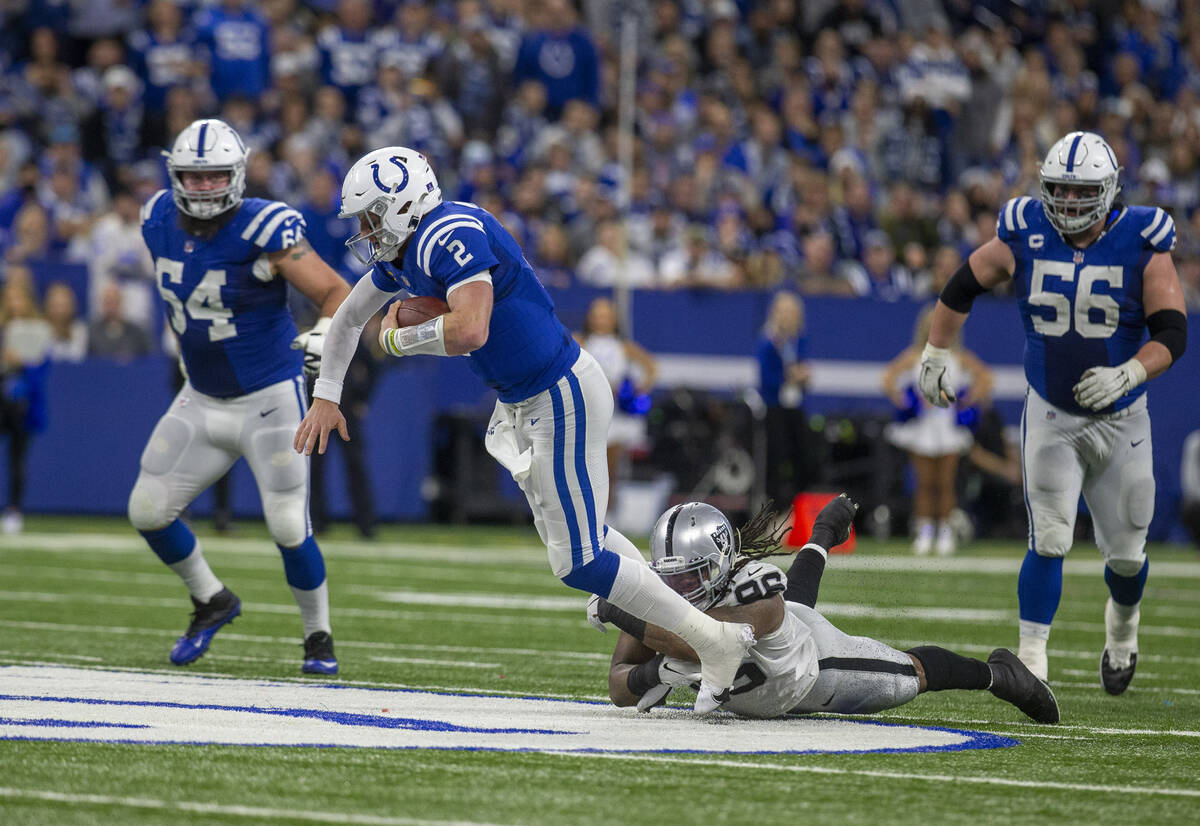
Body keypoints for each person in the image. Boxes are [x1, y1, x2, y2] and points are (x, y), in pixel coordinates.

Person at [295, 145, 755, 713]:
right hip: (527, 400)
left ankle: (718, 644)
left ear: (402, 206)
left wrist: (396, 338)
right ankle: (685, 633)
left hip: (558, 390)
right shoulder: (407, 250)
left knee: (579, 563)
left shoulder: (449, 234)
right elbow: (346, 319)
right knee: (585, 543)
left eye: (370, 217)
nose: (364, 232)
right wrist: (326, 395)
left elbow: (470, 330)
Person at [917, 131, 1187, 693]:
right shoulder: (1025, 229)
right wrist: (937, 347)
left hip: (1123, 417)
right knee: (1050, 535)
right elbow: (962, 284)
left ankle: (1123, 628)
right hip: (1051, 411)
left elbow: (1172, 331)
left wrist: (1131, 371)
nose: (1066, 202)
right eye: (1058, 189)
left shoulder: (1141, 237)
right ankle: (1031, 656)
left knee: (1129, 553)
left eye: (1078, 191)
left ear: (1108, 190)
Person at [131, 118, 350, 675]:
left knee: (285, 524)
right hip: (201, 398)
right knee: (148, 509)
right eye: (192, 177)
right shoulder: (155, 216)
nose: (203, 188)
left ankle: (318, 637)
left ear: (236, 174)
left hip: (267, 398)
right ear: (175, 176)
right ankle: (212, 600)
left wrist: (322, 336)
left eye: (213, 177)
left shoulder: (265, 228)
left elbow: (334, 292)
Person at [597, 494, 1059, 725]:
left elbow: (699, 638)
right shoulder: (659, 595)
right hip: (766, 684)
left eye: (689, 575)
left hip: (814, 670)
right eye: (667, 576)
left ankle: (999, 674)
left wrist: (619, 605)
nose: (676, 587)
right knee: (798, 604)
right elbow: (619, 683)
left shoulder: (752, 589)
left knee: (910, 674)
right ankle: (822, 535)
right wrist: (649, 676)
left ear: (719, 564)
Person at [881, 305, 993, 555]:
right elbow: (888, 378)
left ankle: (945, 532)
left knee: (946, 483)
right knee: (924, 483)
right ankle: (924, 532)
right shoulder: (914, 356)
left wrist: (968, 401)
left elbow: (986, 378)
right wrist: (906, 401)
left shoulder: (959, 357)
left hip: (948, 429)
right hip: (923, 428)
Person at [577, 296, 657, 514]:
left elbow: (651, 366)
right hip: (588, 411)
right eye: (597, 315)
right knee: (586, 466)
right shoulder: (579, 342)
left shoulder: (623, 346)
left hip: (614, 415)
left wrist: (637, 389)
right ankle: (585, 512)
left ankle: (608, 515)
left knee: (609, 468)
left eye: (606, 315)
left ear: (614, 319)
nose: (601, 319)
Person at [0, 281, 52, 535]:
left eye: (18, 298)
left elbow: (41, 371)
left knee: (17, 458)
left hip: (22, 403)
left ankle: (14, 510)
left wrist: (21, 362)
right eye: (10, 298)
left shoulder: (38, 330)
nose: (14, 304)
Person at [757, 292, 813, 506]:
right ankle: (774, 507)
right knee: (776, 459)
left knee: (802, 457)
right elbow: (766, 379)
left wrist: (803, 377)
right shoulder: (768, 342)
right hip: (774, 408)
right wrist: (789, 376)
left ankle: (799, 506)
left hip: (794, 407)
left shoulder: (798, 341)